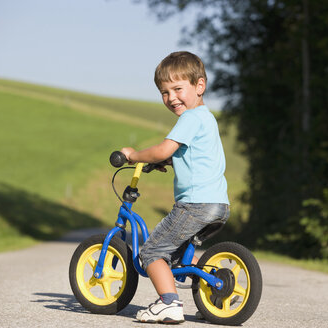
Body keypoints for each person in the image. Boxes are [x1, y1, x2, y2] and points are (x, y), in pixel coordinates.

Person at [120, 51, 230, 324]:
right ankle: (194, 290)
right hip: (218, 204)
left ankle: (168, 303)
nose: (171, 98)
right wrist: (167, 161)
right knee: (172, 254)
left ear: (199, 86)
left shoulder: (190, 119)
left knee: (152, 252)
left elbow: (163, 148)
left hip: (195, 204)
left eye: (177, 89)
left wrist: (134, 156)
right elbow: (188, 153)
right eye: (164, 92)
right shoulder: (206, 118)